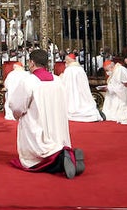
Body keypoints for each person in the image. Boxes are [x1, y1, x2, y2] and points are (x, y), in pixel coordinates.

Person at [7, 49, 84, 177]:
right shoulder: (57, 80)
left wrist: (17, 115)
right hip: (56, 124)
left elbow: (17, 105)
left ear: (31, 63)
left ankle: (60, 161)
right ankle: (67, 155)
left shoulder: (29, 81)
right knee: (56, 144)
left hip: (36, 123)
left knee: (35, 159)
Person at [60, 53, 101, 121]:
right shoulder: (80, 69)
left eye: (66, 61)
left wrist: (61, 78)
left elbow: (65, 83)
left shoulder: (69, 70)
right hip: (81, 92)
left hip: (72, 92)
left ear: (68, 61)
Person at [100, 59, 127, 123]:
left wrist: (109, 88)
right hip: (115, 94)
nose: (107, 72)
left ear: (111, 67)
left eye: (107, 70)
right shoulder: (116, 70)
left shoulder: (119, 70)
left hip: (121, 95)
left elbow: (121, 85)